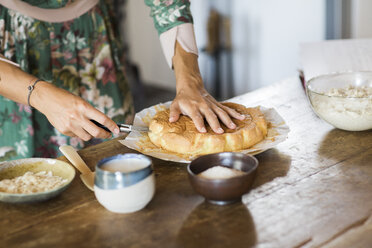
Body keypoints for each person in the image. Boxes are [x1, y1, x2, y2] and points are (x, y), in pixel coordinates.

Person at [0, 0, 244, 160]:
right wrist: (39, 95)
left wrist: (190, 81)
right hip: (14, 67)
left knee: (113, 162)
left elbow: (169, 4)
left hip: (95, 42)